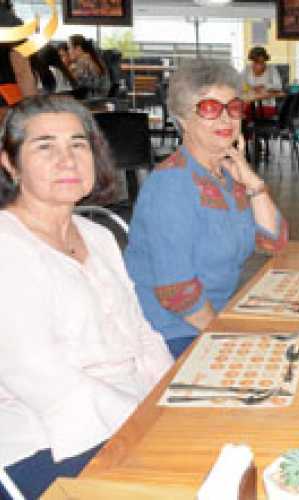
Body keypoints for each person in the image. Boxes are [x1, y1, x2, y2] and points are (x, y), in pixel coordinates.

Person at [0, 96, 173, 499]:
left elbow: (141, 335)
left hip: (124, 412)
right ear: (10, 163)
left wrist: (172, 399)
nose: (68, 160)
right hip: (45, 436)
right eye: (45, 146)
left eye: (78, 145)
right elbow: (44, 380)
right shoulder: (8, 247)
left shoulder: (96, 234)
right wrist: (145, 422)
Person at [124, 59, 288, 359]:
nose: (226, 119)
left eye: (233, 107)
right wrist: (223, 337)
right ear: (184, 118)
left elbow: (273, 242)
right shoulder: (171, 185)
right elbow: (177, 291)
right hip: (169, 333)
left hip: (213, 318)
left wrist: (253, 183)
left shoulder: (227, 175)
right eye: (210, 108)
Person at [242, 46, 283, 112]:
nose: (259, 65)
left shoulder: (271, 69)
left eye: (262, 62)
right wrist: (249, 88)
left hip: (267, 105)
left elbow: (279, 86)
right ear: (252, 60)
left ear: (265, 60)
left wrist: (265, 86)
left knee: (245, 114)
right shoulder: (247, 68)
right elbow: (238, 83)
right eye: (256, 62)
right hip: (249, 103)